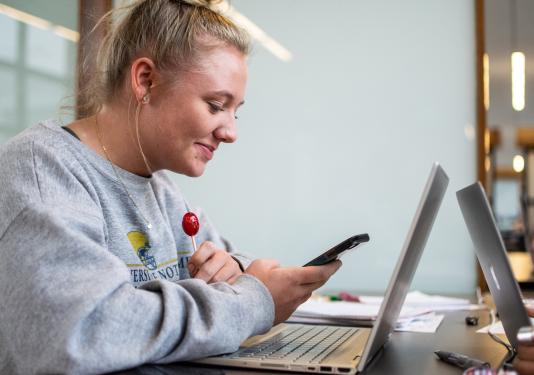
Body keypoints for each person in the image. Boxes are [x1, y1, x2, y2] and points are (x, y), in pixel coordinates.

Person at [0, 1, 341, 373]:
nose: (231, 132)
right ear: (146, 80)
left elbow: (240, 269)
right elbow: (87, 329)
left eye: (235, 111)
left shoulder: (161, 190)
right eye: (215, 105)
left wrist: (233, 270)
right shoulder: (40, 171)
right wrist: (253, 302)